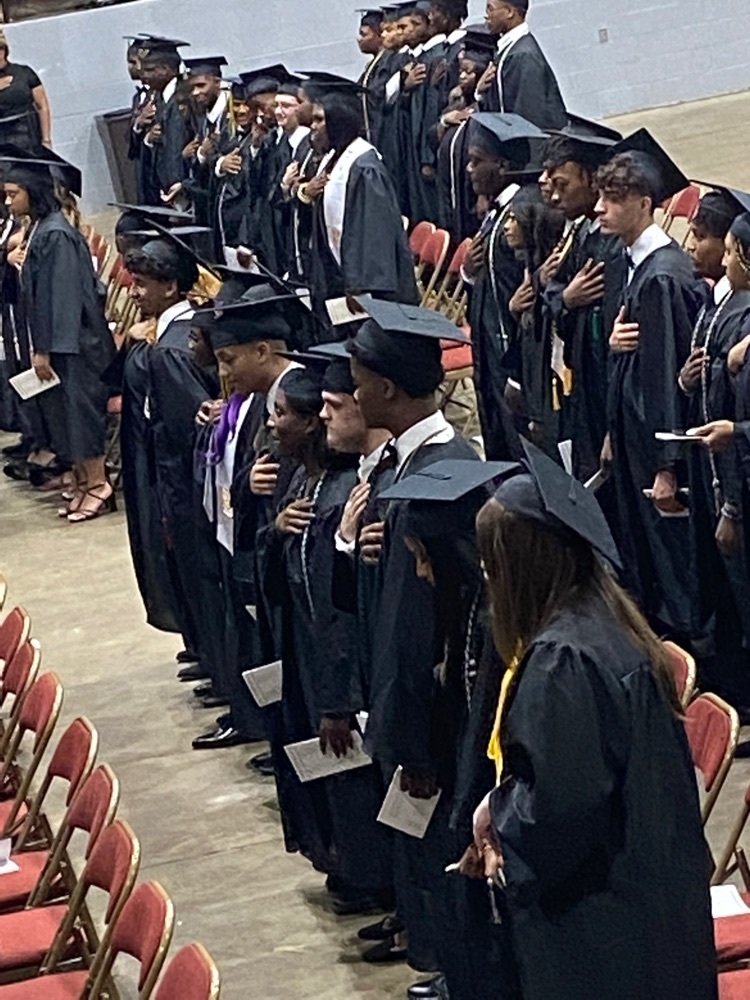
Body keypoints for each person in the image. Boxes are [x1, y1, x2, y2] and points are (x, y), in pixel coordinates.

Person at [468, 442, 717, 1000]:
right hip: (656, 892)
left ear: (523, 566)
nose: (486, 576)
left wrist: (500, 815)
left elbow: (560, 810)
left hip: (603, 923)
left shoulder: (563, 662)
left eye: (492, 562)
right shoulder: (608, 622)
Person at [343, 298, 479, 980]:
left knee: (440, 845)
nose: (353, 394)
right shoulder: (404, 465)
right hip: (410, 702)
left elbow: (437, 625)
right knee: (417, 847)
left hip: (438, 714)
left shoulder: (445, 479)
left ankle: (452, 968)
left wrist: (413, 737)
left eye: (358, 382)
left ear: (389, 389)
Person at [596, 130, 707, 640]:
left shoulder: (662, 277)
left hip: (655, 447)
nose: (599, 209)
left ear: (644, 204)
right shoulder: (634, 263)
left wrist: (667, 466)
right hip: (634, 437)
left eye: (613, 199)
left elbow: (666, 377)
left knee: (671, 567)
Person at [1, 148, 115, 522]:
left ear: (32, 191)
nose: (8, 201)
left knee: (80, 416)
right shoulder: (40, 228)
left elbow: (62, 298)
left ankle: (98, 484)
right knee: (63, 416)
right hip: (59, 344)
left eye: (13, 194)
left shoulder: (57, 235)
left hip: (77, 346)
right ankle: (81, 480)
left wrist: (46, 349)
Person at [682, 196, 750, 705]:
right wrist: (692, 379)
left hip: (738, 481)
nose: (723, 261)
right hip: (721, 472)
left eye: (729, 251)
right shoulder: (723, 304)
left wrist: (731, 507)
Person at [302, 74, 418, 335]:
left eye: (319, 120)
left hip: (368, 291)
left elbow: (374, 235)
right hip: (341, 278)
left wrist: (360, 286)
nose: (313, 127)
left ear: (339, 120)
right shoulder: (333, 159)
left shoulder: (365, 167)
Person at [541, 123, 624, 480]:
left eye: (563, 186)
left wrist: (561, 297)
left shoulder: (613, 246)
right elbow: (553, 288)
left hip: (601, 381)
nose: (554, 197)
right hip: (582, 383)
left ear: (592, 181)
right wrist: (565, 297)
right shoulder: (581, 232)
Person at [462, 112, 544, 460]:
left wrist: (520, 371)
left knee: (520, 447)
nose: (469, 169)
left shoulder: (525, 211)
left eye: (476, 160)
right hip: (491, 349)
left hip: (513, 353)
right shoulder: (498, 212)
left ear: (503, 165)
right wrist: (467, 273)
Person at [480, 0, 566, 130]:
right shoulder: (510, 49)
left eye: (490, 9)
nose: (486, 15)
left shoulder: (524, 56)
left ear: (509, 12)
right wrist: (480, 92)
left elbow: (529, 121)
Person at [137, 35, 190, 206]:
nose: (144, 76)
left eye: (150, 70)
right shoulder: (158, 99)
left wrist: (179, 183)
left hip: (183, 188)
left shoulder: (184, 98)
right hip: (164, 187)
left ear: (167, 70)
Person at [0, 30, 52, 150]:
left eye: (0, 48)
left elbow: (43, 106)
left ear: (5, 50)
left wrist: (46, 140)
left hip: (28, 137)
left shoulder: (24, 73)